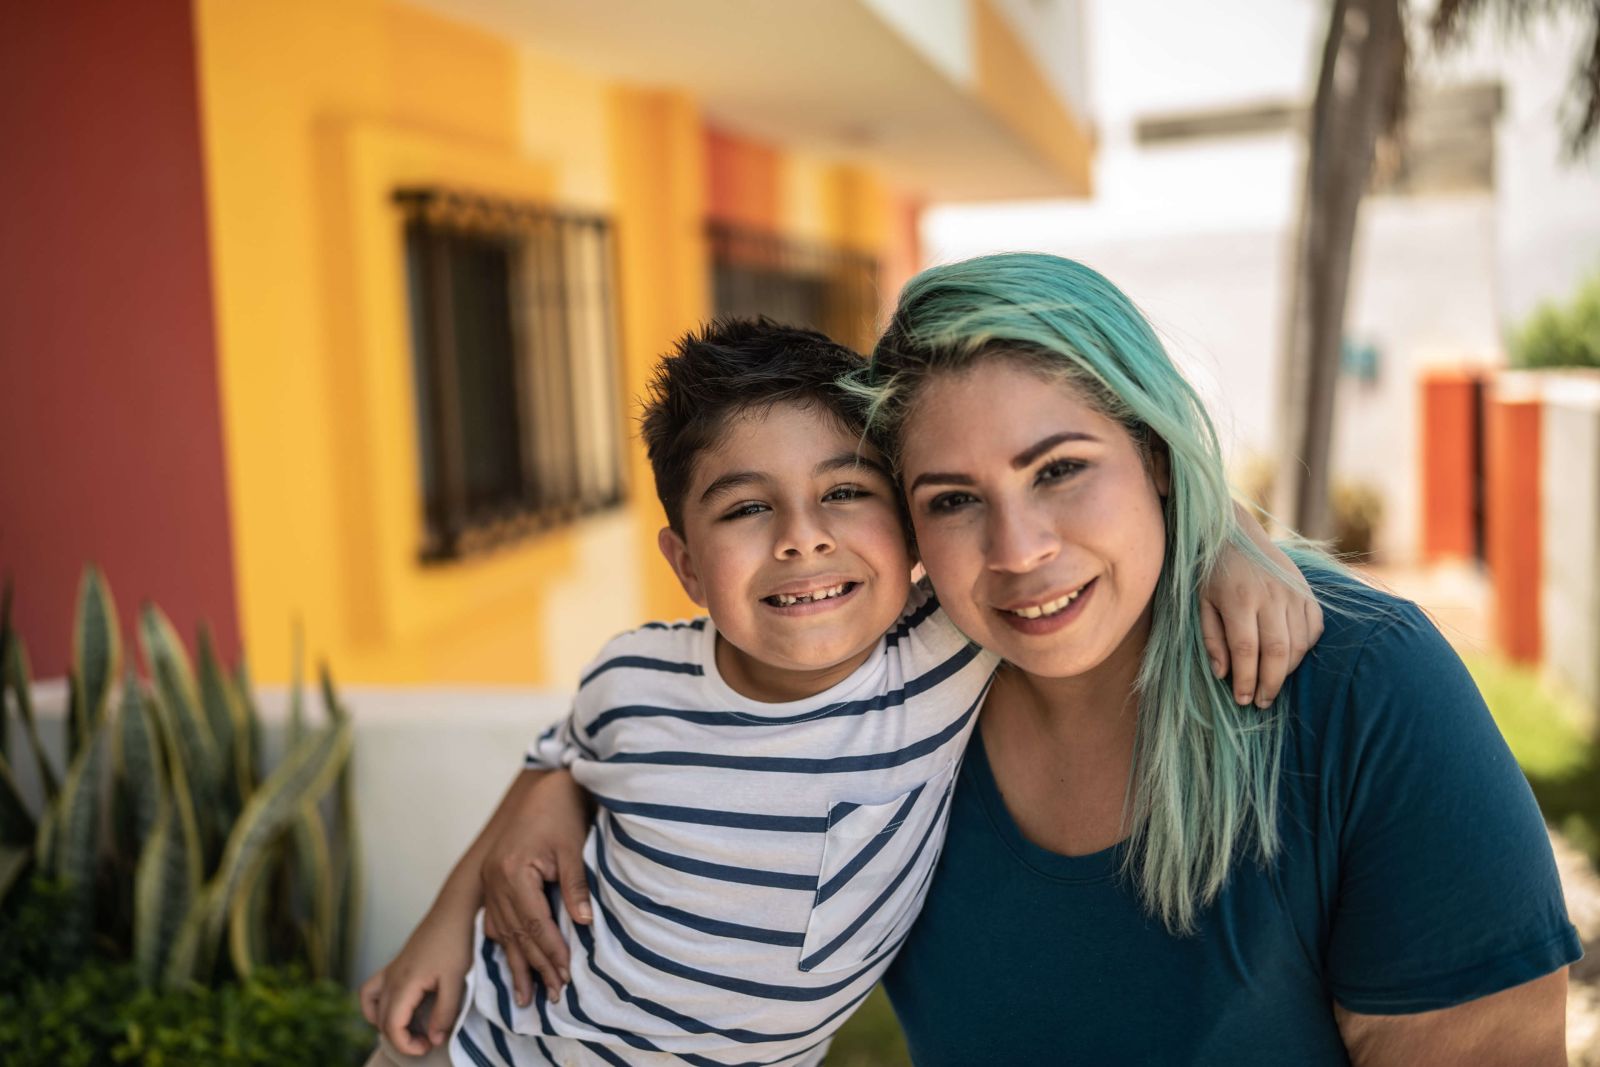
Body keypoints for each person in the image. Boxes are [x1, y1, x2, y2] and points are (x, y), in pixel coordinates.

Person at [358, 317, 1316, 1066]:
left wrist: (1226, 537)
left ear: (907, 528)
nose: (801, 537)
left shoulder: (947, 646)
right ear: (687, 564)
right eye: (744, 507)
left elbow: (1116, 507)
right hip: (491, 1039)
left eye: (846, 491)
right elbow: (554, 760)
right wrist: (443, 931)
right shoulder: (633, 674)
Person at [857, 252, 1581, 1064]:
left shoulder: (1364, 690)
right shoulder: (879, 722)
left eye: (1060, 469)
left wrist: (1216, 519)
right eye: (954, 500)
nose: (1019, 550)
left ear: (1156, 453)